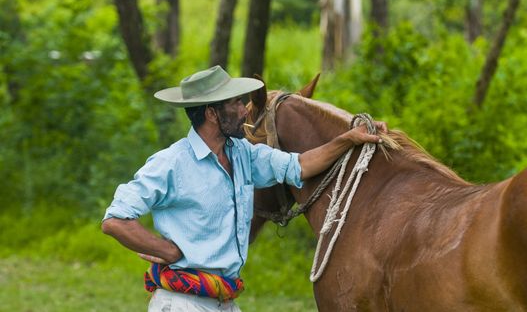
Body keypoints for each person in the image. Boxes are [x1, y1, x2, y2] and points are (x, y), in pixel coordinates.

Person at [101, 65, 387, 312]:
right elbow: (115, 220)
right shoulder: (171, 163)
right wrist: (168, 251)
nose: (244, 111)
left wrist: (348, 139)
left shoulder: (242, 154)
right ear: (212, 114)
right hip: (182, 303)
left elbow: (298, 166)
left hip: (225, 300)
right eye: (236, 104)